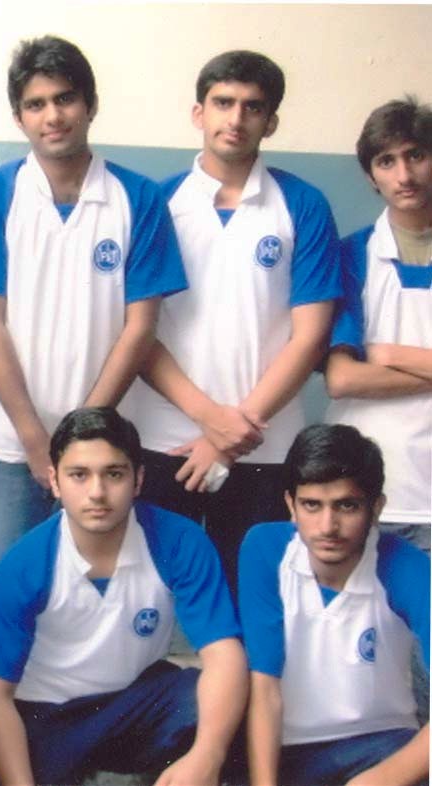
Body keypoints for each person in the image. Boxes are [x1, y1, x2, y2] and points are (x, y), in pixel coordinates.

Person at [0, 35, 187, 601]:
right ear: (19, 117)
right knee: (6, 599)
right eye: (36, 105)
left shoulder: (138, 198)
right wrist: (36, 440)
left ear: (90, 104)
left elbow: (141, 327)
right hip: (11, 445)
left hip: (105, 447)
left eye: (65, 99)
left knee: (99, 602)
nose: (53, 116)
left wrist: (83, 437)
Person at [122, 50, 342, 589]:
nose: (236, 118)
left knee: (251, 603)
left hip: (265, 445)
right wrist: (210, 421)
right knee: (150, 598)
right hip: (163, 440)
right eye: (223, 103)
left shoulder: (303, 204)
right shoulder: (155, 203)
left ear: (272, 121)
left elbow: (310, 336)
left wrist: (229, 435)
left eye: (252, 107)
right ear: (199, 113)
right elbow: (138, 330)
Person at [0, 407, 247, 785]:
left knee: (233, 703)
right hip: (46, 717)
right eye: (79, 475)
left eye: (113, 474)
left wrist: (207, 755)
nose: (97, 492)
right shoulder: (24, 565)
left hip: (136, 704)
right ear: (55, 481)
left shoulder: (178, 541)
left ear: (138, 480)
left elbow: (224, 656)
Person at [240, 423, 429, 785]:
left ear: (376, 508)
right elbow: (264, 687)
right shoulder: (265, 549)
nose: (328, 526)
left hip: (379, 745)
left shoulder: (407, 566)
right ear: (291, 505)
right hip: (287, 747)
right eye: (312, 505)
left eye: (347, 505)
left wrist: (378, 781)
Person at [325, 96, 432, 553]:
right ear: (371, 175)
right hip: (367, 491)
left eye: (416, 155)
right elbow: (343, 379)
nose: (404, 175)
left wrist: (390, 355)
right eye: (386, 161)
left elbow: (367, 367)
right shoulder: (352, 256)